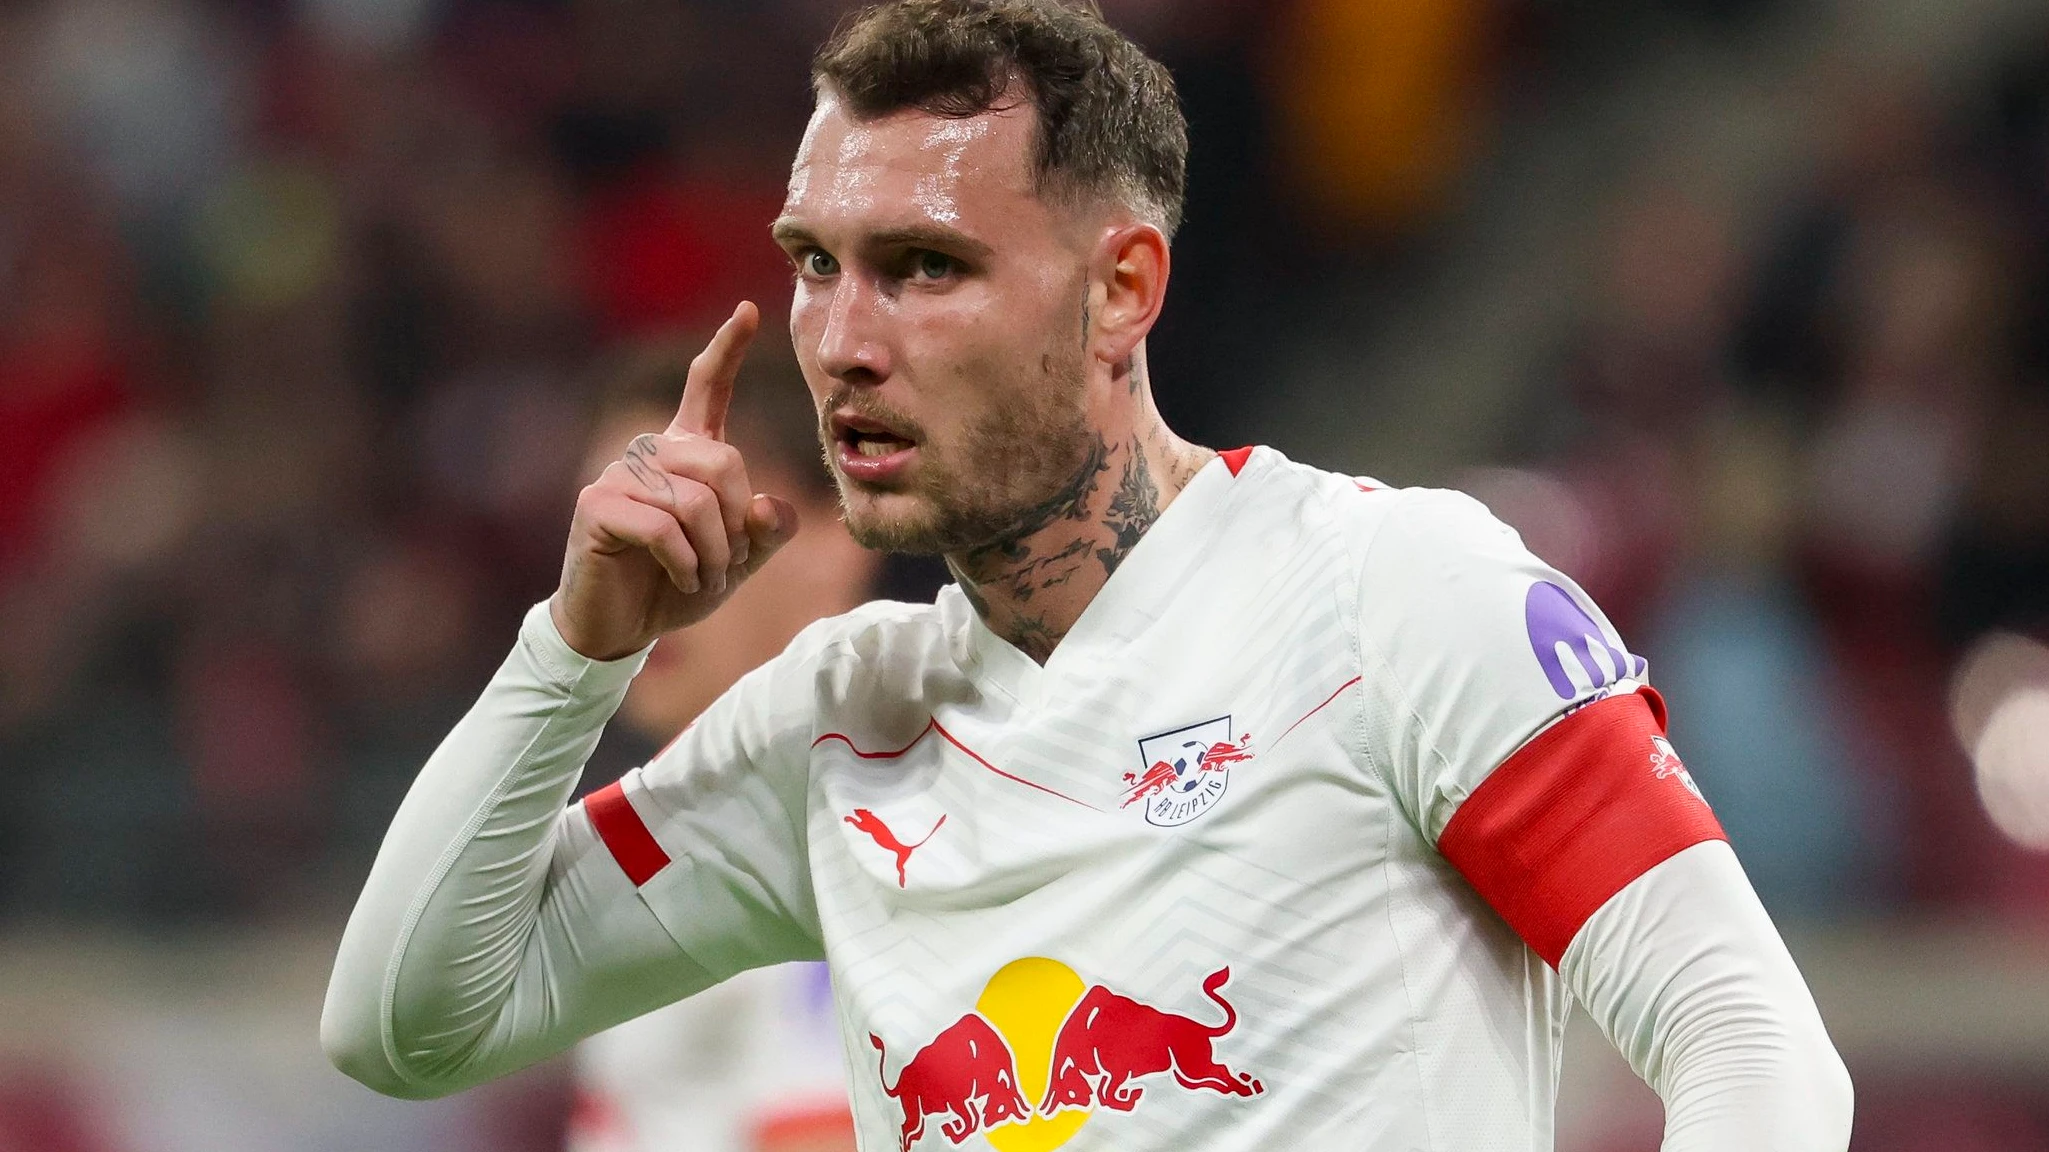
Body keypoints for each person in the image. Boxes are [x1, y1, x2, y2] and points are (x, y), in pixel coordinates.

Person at [323, 2, 1854, 1149]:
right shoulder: (839, 724)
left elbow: (1747, 1039)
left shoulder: (1390, 592)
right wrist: (570, 654)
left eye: (924, 267)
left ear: (1121, 289)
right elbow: (404, 1023)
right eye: (814, 265)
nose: (843, 340)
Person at [565, 342, 874, 1152]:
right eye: (609, 533)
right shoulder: (647, 835)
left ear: (835, 535)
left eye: (686, 522)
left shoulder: (860, 827)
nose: (638, 576)